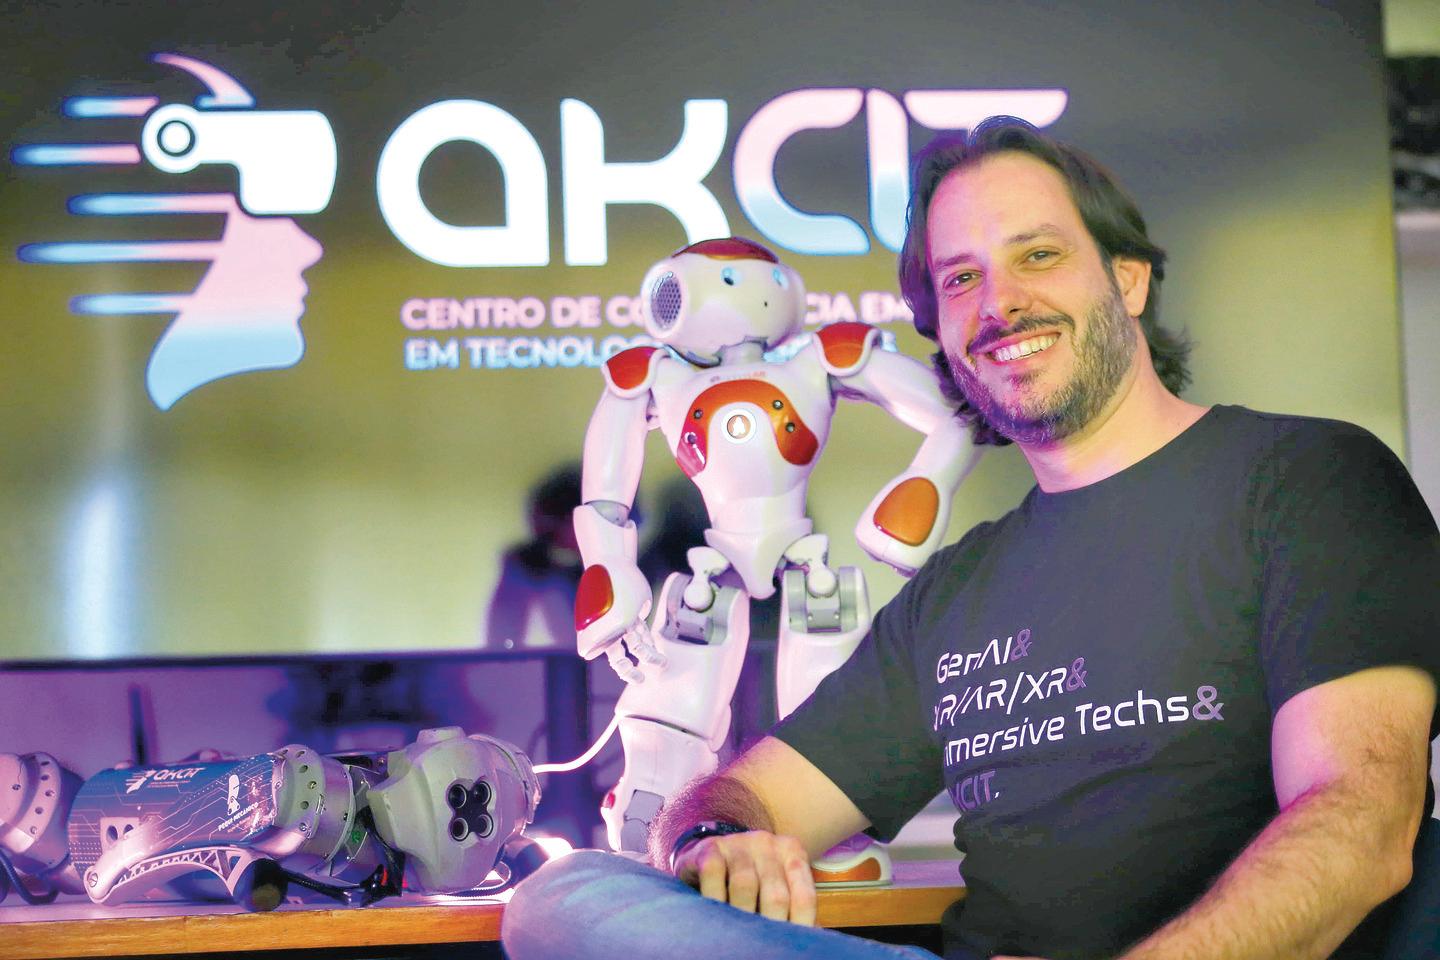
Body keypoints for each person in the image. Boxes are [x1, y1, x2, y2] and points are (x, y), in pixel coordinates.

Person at [501, 118, 1440, 960]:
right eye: (961, 278)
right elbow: (744, 797)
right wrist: (715, 838)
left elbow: (1360, 824)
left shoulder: (1304, 479)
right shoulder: (956, 593)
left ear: (1128, 278)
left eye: (1039, 255)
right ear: (941, 333)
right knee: (566, 896)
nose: (1001, 303)